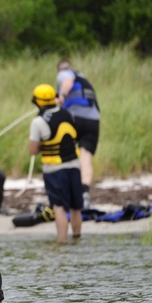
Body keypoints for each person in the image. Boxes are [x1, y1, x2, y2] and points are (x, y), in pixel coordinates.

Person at [28, 84, 82, 243]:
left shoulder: (37, 122)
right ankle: (77, 239)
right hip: (74, 166)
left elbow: (32, 150)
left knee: (58, 207)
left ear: (37, 101)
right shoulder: (69, 113)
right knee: (75, 207)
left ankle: (62, 242)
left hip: (54, 170)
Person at [56, 60, 101, 210]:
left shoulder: (65, 74)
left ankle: (65, 193)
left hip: (74, 119)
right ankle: (85, 194)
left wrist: (61, 95)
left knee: (65, 154)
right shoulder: (83, 77)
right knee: (85, 157)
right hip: (92, 120)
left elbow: (67, 81)